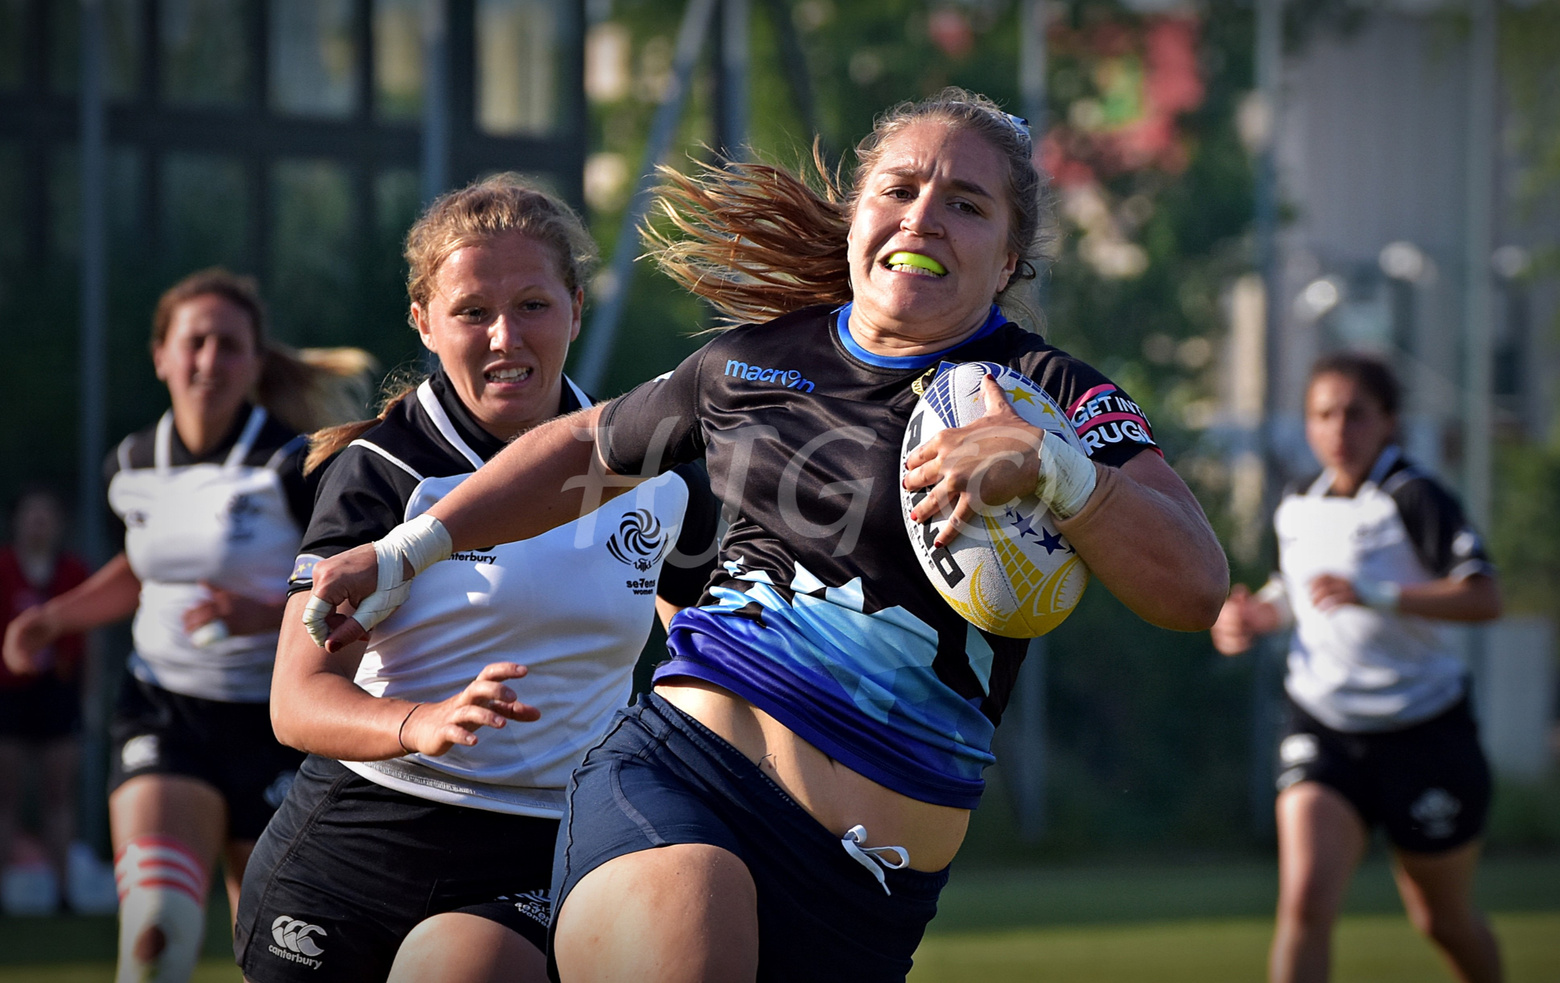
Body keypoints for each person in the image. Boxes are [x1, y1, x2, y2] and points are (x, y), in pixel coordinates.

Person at [303, 89, 1229, 983]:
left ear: (1013, 253)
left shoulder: (1054, 395)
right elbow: (584, 451)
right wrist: (407, 549)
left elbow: (1193, 587)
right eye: (899, 190)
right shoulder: (751, 361)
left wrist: (1055, 468)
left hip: (869, 885)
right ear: (858, 214)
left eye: (967, 203)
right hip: (684, 777)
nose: (924, 218)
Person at [232, 175, 719, 983]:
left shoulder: (657, 474)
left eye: (532, 305)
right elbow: (296, 698)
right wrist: (418, 721)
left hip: (542, 850)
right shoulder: (382, 474)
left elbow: (706, 651)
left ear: (575, 305)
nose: (504, 338)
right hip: (358, 848)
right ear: (424, 322)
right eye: (471, 312)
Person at [2, 269, 371, 983]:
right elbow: (140, 570)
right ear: (161, 355)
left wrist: (263, 614)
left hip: (277, 723)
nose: (209, 360)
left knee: (278, 962)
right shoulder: (131, 463)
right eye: (194, 342)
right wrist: (52, 618)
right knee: (155, 938)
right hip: (163, 712)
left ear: (256, 362)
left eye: (229, 345)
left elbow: (346, 593)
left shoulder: (296, 464)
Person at [1211, 352, 1503, 983]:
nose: (1339, 429)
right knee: (1305, 902)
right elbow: (1297, 590)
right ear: (1308, 425)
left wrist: (1379, 594)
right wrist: (1253, 615)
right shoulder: (1298, 502)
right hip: (1325, 727)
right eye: (1324, 414)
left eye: (1355, 414)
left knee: (1442, 921)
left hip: (1426, 731)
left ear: (1387, 422)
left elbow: (1485, 597)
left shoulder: (1414, 497)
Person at [0, 487, 91, 911]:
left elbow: (89, 642)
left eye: (46, 515)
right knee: (7, 793)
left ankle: (63, 894)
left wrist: (86, 698)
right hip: (8, 695)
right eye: (30, 514)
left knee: (58, 792)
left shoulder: (73, 573)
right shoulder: (3, 568)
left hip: (57, 693)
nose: (38, 523)